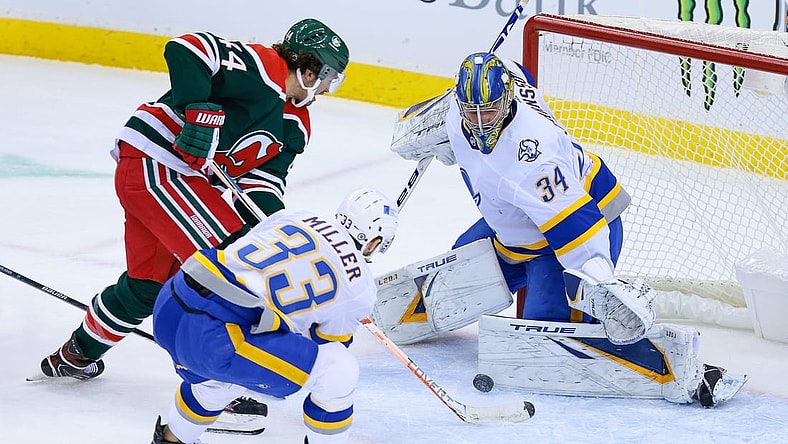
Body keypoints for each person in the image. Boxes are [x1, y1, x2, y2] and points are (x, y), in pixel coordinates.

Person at [38, 18, 350, 381]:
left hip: (171, 180)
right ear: (311, 69)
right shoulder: (264, 66)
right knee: (231, 268)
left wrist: (275, 234)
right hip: (157, 163)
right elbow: (188, 48)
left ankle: (77, 354)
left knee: (148, 285)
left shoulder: (295, 124)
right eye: (331, 78)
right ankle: (215, 381)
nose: (329, 89)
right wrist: (195, 109)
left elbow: (261, 185)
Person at [444, 52, 746, 407]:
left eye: (489, 111)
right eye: (472, 111)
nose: (480, 122)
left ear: (507, 98)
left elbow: (578, 231)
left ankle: (683, 369)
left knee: (547, 338)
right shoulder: (461, 108)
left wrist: (603, 289)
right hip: (515, 225)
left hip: (582, 224)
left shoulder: (535, 160)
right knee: (453, 273)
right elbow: (516, 68)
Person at [149, 188, 399, 444]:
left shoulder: (299, 215)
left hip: (173, 298)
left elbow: (244, 259)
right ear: (375, 242)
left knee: (227, 376)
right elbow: (325, 344)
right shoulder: (361, 287)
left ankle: (172, 439)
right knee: (339, 370)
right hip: (218, 336)